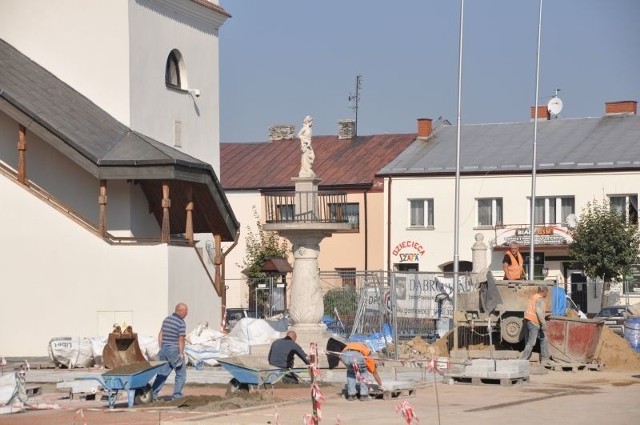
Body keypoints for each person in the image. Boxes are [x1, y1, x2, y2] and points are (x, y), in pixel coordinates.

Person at [151, 303, 188, 401]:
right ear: (180, 311)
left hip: (164, 349)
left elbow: (160, 334)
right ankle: (177, 395)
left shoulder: (166, 320)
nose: (186, 314)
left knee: (162, 373)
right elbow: (181, 339)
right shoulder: (181, 323)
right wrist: (181, 353)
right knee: (181, 373)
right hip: (174, 350)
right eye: (186, 312)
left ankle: (153, 394)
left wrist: (161, 347)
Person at [520, 283, 550, 364]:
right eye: (547, 291)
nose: (547, 293)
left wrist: (545, 315)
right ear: (543, 291)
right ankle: (523, 360)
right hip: (534, 322)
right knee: (531, 342)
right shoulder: (539, 299)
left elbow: (535, 310)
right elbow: (538, 311)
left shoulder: (534, 297)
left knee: (543, 339)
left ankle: (545, 359)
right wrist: (544, 323)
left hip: (529, 321)